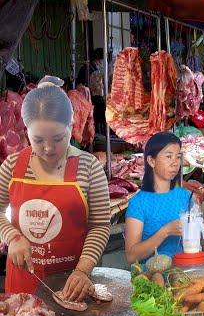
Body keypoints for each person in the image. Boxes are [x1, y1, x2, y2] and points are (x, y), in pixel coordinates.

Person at [0, 85, 110, 300]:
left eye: (58, 138)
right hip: (23, 283)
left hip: (72, 284)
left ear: (71, 126)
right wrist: (12, 237)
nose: (48, 148)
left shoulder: (89, 167)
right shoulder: (12, 165)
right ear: (26, 131)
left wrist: (83, 270)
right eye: (38, 140)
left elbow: (100, 226)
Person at [124, 132, 192, 265]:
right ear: (151, 161)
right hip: (149, 277)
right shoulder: (138, 203)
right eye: (168, 156)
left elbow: (195, 244)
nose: (175, 163)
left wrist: (199, 227)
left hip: (183, 274)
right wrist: (165, 231)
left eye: (178, 157)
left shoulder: (185, 196)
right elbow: (131, 256)